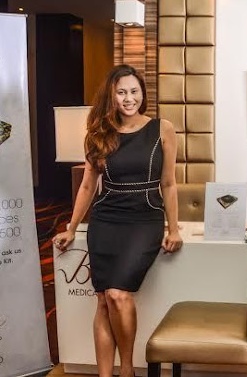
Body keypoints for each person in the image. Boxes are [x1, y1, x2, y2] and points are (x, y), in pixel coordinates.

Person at [52, 65, 182, 377]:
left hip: (145, 219)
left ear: (143, 94)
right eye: (121, 92)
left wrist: (174, 228)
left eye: (134, 91)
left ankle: (126, 369)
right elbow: (87, 186)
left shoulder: (162, 129)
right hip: (106, 220)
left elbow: (168, 183)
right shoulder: (99, 134)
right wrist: (72, 227)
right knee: (102, 299)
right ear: (111, 96)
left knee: (118, 294)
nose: (129, 98)